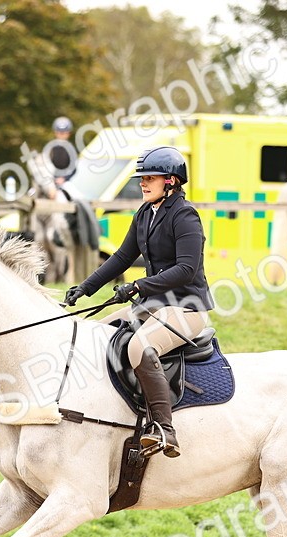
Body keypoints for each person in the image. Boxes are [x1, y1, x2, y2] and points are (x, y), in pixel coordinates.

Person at [63, 146, 212, 458]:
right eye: (142, 178)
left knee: (139, 348)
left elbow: (186, 269)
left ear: (171, 181)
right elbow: (121, 257)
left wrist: (139, 284)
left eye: (150, 178)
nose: (143, 183)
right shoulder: (145, 214)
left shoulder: (185, 216)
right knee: (93, 335)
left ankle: (164, 429)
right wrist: (85, 288)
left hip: (186, 307)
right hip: (151, 306)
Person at [42, 116, 78, 195]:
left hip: (65, 182)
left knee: (73, 195)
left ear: (68, 133)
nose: (62, 135)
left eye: (64, 133)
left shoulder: (71, 150)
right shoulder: (50, 148)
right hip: (49, 180)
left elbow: (74, 169)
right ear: (55, 133)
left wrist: (64, 179)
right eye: (59, 133)